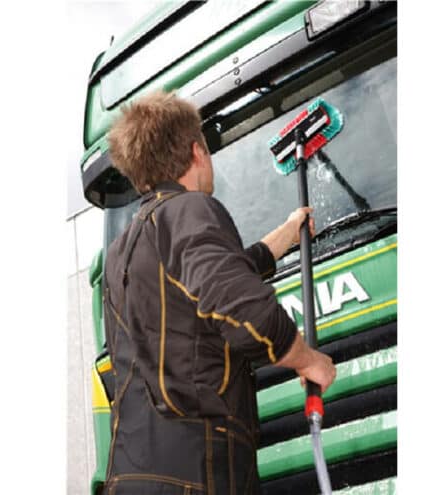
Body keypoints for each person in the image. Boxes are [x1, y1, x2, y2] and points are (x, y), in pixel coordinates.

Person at [103, 90, 336, 495]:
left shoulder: (120, 251)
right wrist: (308, 359)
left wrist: (287, 233)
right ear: (197, 152)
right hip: (200, 472)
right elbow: (248, 312)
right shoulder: (189, 209)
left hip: (130, 474)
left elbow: (211, 281)